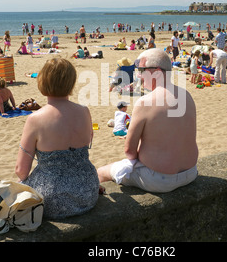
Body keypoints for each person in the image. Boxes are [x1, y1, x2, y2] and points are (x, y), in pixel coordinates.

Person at [97, 48, 198, 193]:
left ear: (155, 71)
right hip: (190, 173)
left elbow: (129, 151)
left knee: (101, 171)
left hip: (160, 179)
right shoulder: (186, 96)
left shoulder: (145, 102)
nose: (138, 75)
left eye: (141, 70)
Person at [15, 57, 99, 220]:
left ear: (42, 81)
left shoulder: (35, 119)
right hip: (88, 191)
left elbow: (21, 170)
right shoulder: (84, 111)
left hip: (51, 198)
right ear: (71, 83)